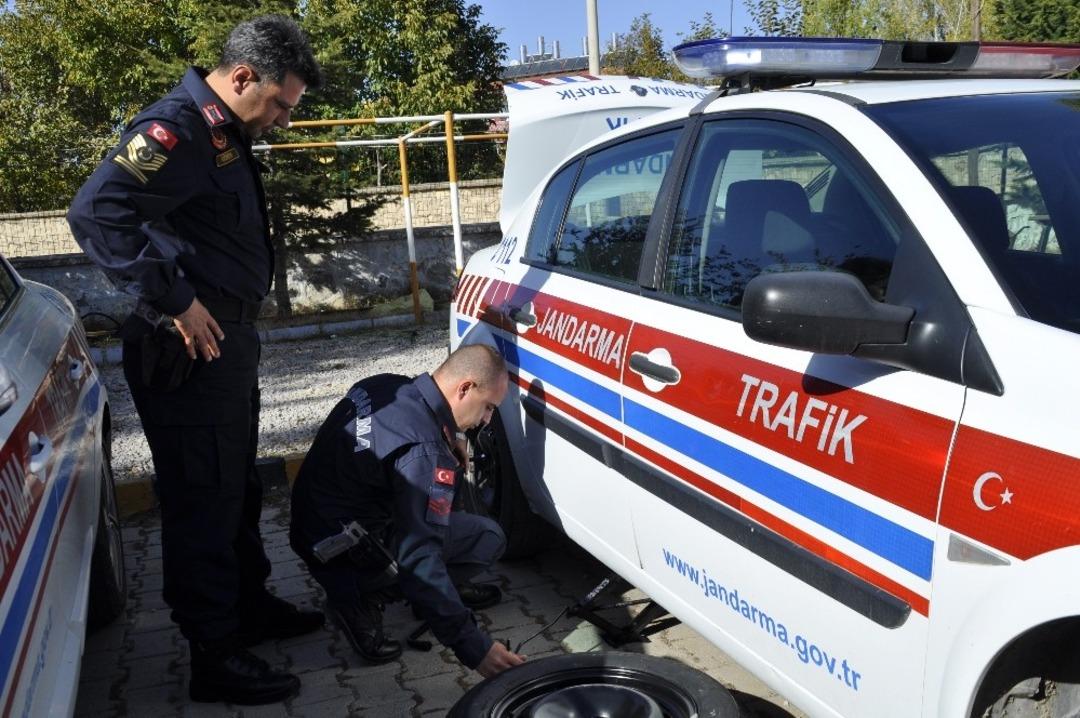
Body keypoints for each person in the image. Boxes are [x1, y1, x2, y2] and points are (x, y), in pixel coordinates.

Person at [67, 15, 324, 705]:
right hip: (188, 346)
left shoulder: (224, 133)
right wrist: (175, 299)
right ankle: (215, 654)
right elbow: (96, 212)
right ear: (242, 77)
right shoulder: (173, 129)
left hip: (227, 344)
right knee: (202, 500)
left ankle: (248, 607)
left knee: (235, 484)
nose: (283, 120)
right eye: (278, 104)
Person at [290, 344, 527, 678]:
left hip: (311, 527)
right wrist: (474, 646)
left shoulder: (388, 385)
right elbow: (420, 557)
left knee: (444, 481)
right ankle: (361, 601)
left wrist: (451, 433)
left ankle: (425, 594)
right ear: (465, 388)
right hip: (343, 551)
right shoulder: (424, 452)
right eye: (488, 407)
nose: (486, 420)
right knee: (487, 537)